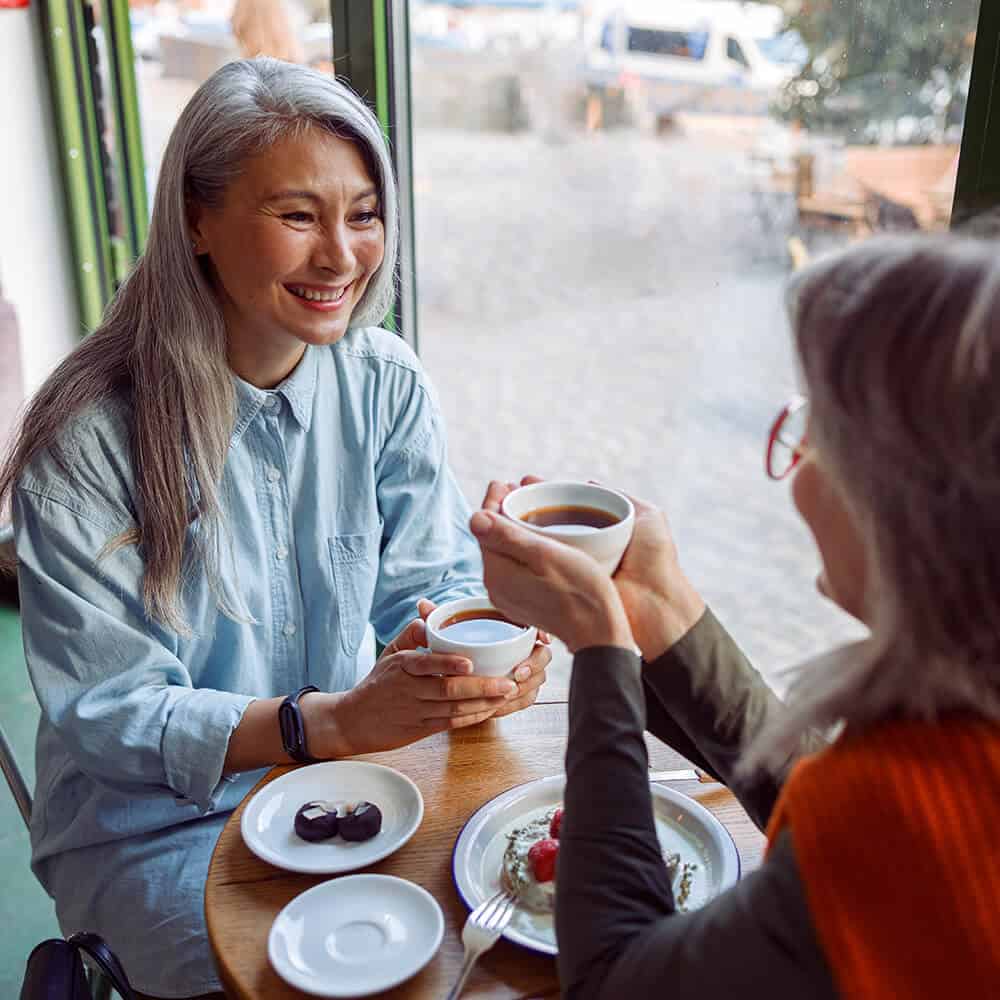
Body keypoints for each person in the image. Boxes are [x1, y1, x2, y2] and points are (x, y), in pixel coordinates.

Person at [1, 59, 548, 1000]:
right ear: (197, 221)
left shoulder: (385, 382)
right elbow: (112, 715)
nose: (341, 255)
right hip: (157, 831)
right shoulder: (88, 438)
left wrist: (479, 646)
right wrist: (323, 721)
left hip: (349, 785)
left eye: (364, 214)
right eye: (298, 216)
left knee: (497, 933)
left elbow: (429, 584)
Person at [473, 235, 1000, 998]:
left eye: (821, 426)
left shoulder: (916, 817)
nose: (799, 457)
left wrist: (600, 649)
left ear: (901, 503)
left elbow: (614, 979)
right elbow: (833, 808)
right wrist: (661, 608)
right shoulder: (944, 746)